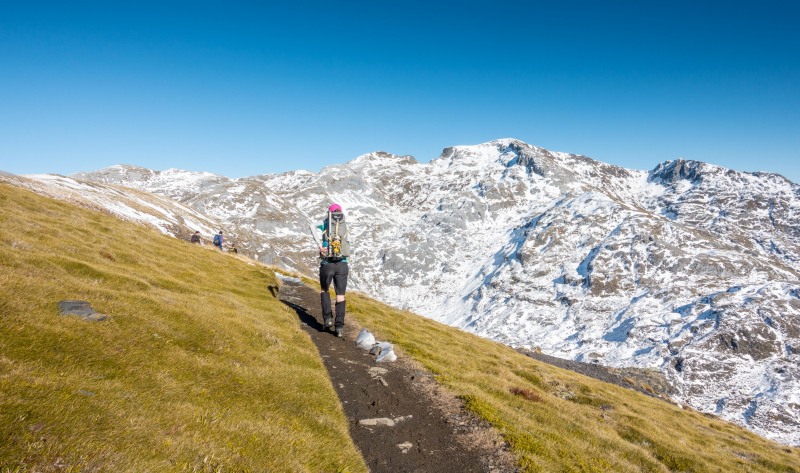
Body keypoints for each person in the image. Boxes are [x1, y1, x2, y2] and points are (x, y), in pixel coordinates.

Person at [318, 203, 351, 338]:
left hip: (327, 263)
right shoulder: (345, 226)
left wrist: (320, 246)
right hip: (342, 264)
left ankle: (327, 319)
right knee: (340, 295)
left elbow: (311, 226)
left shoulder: (325, 224)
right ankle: (339, 327)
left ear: (329, 213)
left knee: (324, 290)